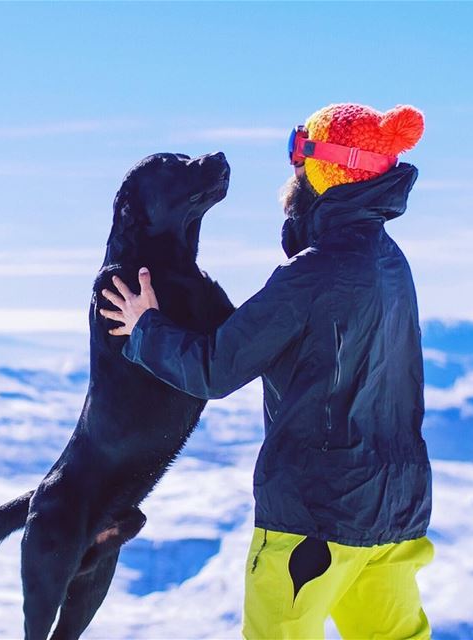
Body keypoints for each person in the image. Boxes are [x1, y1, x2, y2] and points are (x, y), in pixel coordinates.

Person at [100, 103, 434, 640]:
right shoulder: (392, 263)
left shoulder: (311, 274)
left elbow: (214, 368)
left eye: (299, 161)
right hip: (397, 515)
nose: (292, 176)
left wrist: (145, 328)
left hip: (314, 522)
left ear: (324, 171)